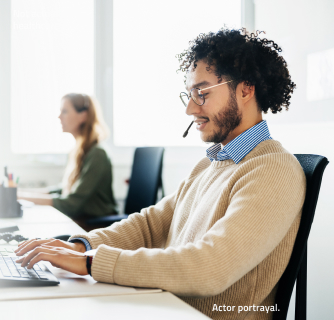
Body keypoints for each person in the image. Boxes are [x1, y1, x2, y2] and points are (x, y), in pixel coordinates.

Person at [15, 28, 306, 320]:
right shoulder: (210, 164)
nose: (190, 108)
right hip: (169, 308)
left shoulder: (273, 170)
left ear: (245, 89)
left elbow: (210, 267)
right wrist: (80, 246)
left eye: (201, 93)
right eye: (189, 95)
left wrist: (91, 263)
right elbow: (149, 226)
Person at [18, 93, 117, 223]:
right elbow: (64, 189)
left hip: (95, 225)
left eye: (64, 111)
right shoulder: (79, 151)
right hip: (82, 220)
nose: (59, 117)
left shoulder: (97, 154)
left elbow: (71, 204)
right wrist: (21, 193)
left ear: (83, 116)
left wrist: (19, 196)